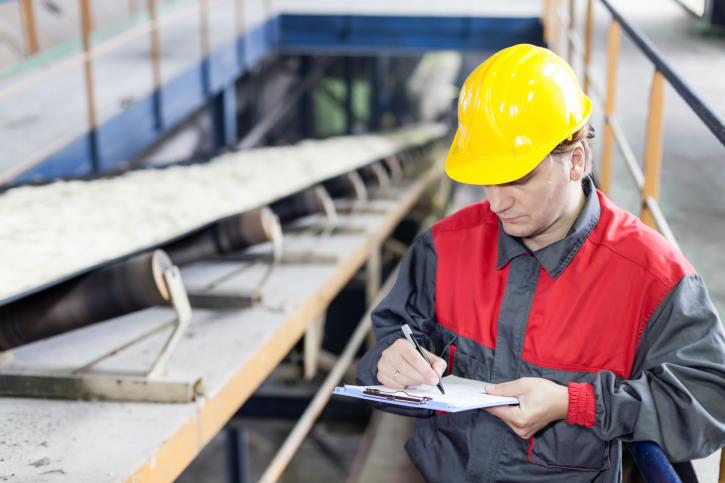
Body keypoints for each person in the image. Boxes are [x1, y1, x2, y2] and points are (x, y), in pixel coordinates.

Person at [356, 44, 725, 482]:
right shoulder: (443, 247)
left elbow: (707, 408)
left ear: (576, 161)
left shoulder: (654, 279)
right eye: (486, 178)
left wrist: (576, 404)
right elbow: (388, 344)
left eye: (518, 177)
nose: (496, 201)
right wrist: (390, 362)